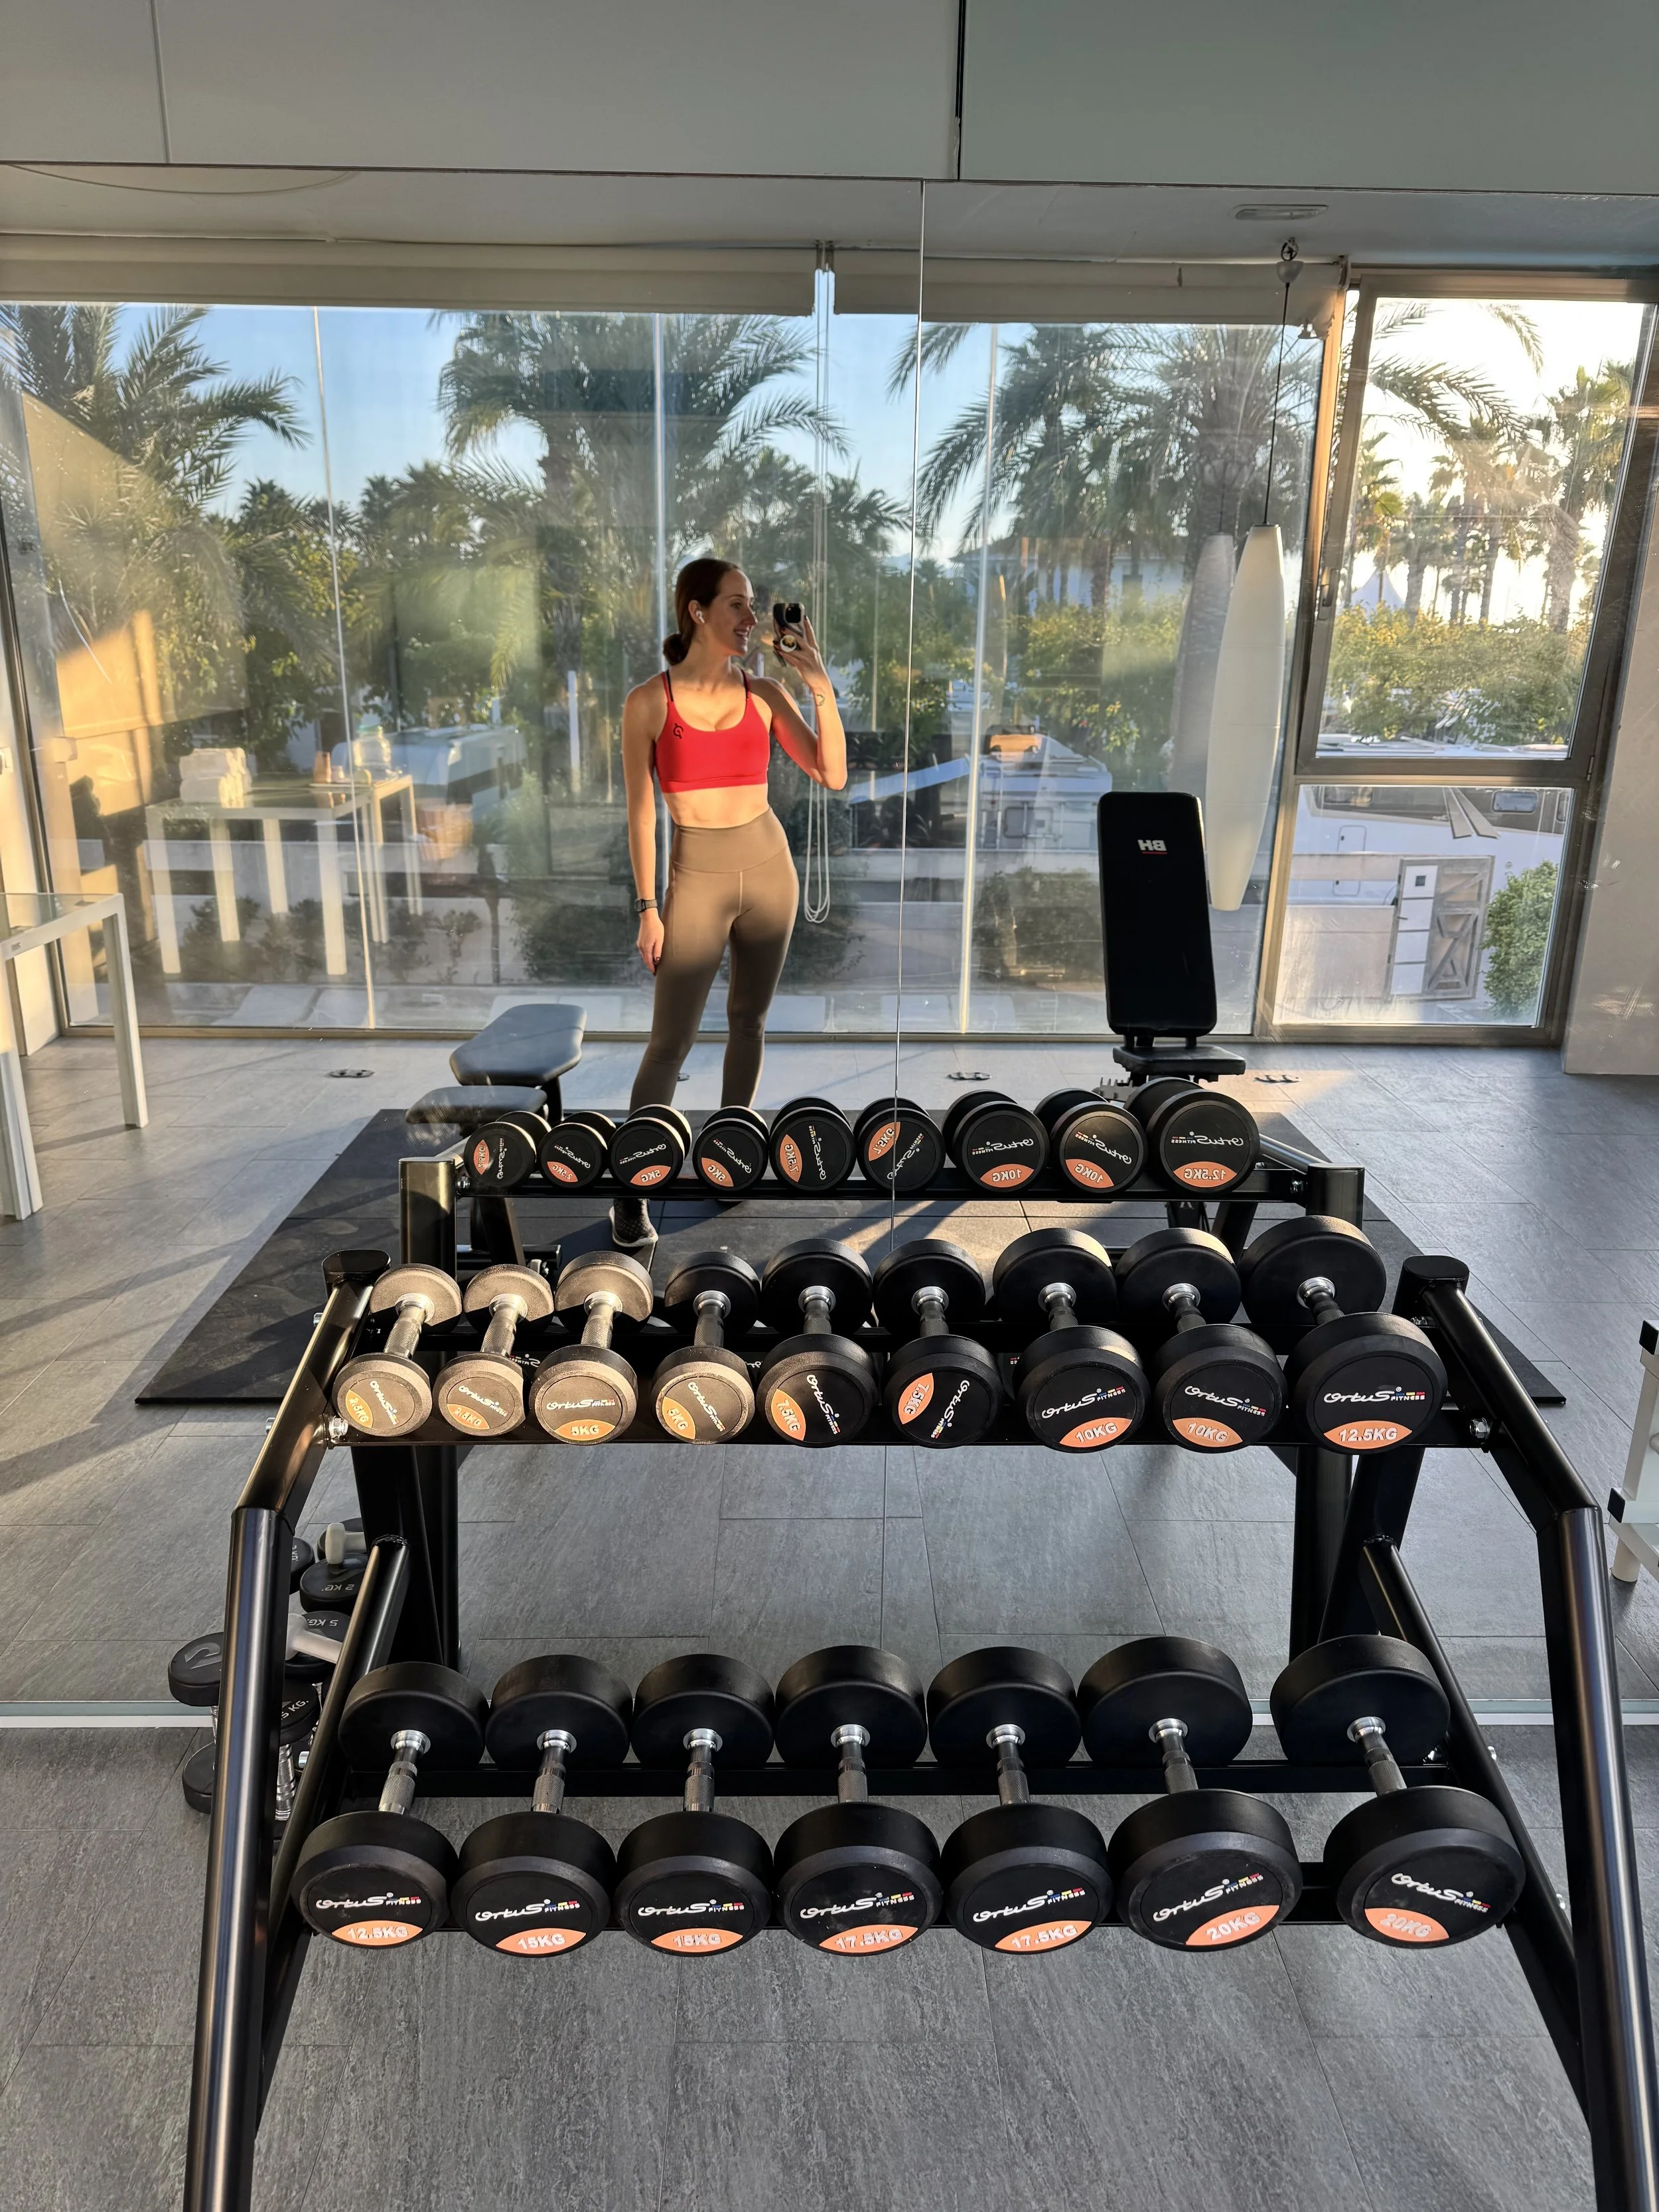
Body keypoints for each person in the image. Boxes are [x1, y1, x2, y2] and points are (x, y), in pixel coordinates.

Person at [613, 556, 847, 1250]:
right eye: (739, 606)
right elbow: (639, 815)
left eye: (752, 607)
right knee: (669, 1042)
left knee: (749, 1020)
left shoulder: (767, 694)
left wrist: (816, 682)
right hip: (697, 874)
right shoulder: (647, 702)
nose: (752, 620)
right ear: (697, 611)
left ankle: (730, 1155)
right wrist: (648, 907)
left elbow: (831, 774)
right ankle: (634, 1188)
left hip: (769, 867)